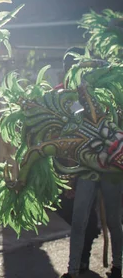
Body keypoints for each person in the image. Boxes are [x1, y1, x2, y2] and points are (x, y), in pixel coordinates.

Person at [56, 47, 123, 278]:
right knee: (79, 220)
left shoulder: (107, 93)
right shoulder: (69, 98)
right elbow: (72, 134)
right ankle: (73, 270)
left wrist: (92, 64)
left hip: (111, 167)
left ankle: (117, 267)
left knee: (114, 220)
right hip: (86, 167)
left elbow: (109, 69)